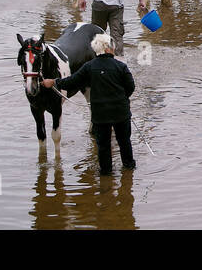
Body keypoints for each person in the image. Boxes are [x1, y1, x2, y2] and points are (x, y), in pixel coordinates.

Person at [42, 31, 136, 175]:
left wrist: (54, 82)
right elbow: (130, 87)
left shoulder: (89, 67)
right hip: (121, 113)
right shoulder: (120, 66)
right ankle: (129, 171)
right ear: (108, 48)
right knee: (124, 142)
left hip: (100, 115)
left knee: (103, 146)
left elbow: (71, 82)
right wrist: (122, 100)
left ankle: (106, 174)